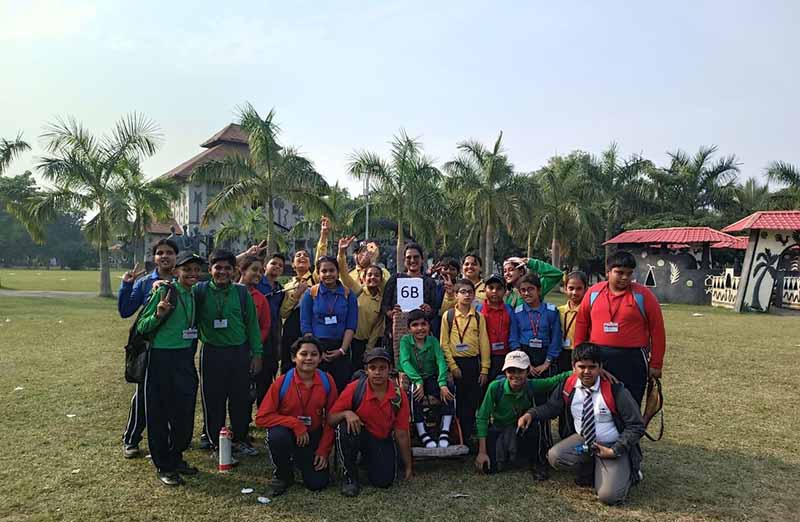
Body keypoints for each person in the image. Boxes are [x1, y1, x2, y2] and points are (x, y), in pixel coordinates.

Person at [518, 343, 645, 505]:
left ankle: (630, 471)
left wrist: (615, 450)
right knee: (555, 456)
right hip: (584, 441)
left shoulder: (615, 390)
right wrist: (531, 414)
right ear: (573, 366)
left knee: (609, 496)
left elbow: (636, 425)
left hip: (612, 445)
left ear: (600, 367)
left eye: (592, 367)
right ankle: (592, 467)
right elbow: (552, 407)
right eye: (581, 367)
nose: (586, 372)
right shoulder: (569, 385)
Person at [136, 251, 203, 486]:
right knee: (159, 414)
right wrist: (157, 314)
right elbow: (142, 327)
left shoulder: (194, 293)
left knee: (184, 411)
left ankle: (176, 456)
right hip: (161, 358)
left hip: (184, 358)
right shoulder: (165, 291)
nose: (192, 273)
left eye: (196, 270)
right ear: (176, 271)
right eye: (187, 269)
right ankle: (163, 465)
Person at [574, 250, 666, 406]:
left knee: (630, 406)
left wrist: (656, 364)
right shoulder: (593, 293)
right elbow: (582, 324)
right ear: (608, 272)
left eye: (629, 273)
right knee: (598, 405)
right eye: (620, 272)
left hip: (633, 359)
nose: (625, 277)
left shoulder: (643, 295)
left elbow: (657, 331)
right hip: (598, 358)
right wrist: (578, 358)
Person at [196, 249, 263, 459]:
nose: (222, 272)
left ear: (234, 271)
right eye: (218, 267)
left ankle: (240, 439)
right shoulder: (200, 291)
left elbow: (252, 325)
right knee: (213, 399)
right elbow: (179, 288)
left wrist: (257, 354)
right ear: (210, 269)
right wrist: (159, 283)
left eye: (227, 268)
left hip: (239, 352)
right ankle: (216, 442)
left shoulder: (242, 293)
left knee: (241, 399)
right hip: (212, 352)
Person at [255, 335, 338, 496]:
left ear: (320, 358)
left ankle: (300, 461)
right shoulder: (282, 382)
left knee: (317, 484)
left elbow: (331, 419)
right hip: (288, 433)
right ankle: (283, 474)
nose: (309, 358)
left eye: (314, 354)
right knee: (277, 435)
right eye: (303, 354)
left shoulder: (327, 381)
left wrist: (323, 450)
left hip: (312, 435)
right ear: (294, 357)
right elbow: (261, 418)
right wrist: (295, 424)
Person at [118, 238, 178, 459]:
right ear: (154, 258)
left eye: (169, 252)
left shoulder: (182, 278)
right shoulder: (145, 283)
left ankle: (169, 438)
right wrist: (126, 285)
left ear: (176, 256)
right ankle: (131, 439)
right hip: (150, 348)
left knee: (172, 395)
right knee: (143, 396)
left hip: (176, 348)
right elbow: (125, 310)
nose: (165, 256)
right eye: (160, 253)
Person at [328, 348, 413, 497]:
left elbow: (401, 433)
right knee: (345, 427)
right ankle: (350, 477)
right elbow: (331, 418)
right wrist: (346, 413)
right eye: (373, 368)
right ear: (366, 370)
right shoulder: (354, 388)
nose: (377, 372)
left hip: (381, 437)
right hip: (359, 433)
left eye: (382, 368)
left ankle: (367, 461)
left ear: (390, 370)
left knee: (384, 482)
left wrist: (408, 468)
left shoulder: (398, 395)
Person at [474, 351, 571, 476]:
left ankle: (534, 459)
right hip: (500, 428)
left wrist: (576, 371)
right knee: (491, 468)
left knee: (535, 427)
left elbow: (553, 381)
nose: (515, 375)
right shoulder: (495, 387)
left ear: (527, 371)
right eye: (511, 371)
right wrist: (482, 452)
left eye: (520, 371)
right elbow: (482, 417)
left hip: (520, 429)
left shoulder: (531, 385)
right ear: (505, 372)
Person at [507, 272, 562, 479]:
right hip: (524, 360)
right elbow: (513, 339)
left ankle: (542, 455)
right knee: (524, 406)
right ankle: (525, 452)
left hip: (545, 361)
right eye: (522, 290)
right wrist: (525, 363)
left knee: (541, 409)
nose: (526, 293)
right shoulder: (517, 312)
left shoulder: (551, 311)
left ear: (539, 290)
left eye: (530, 289)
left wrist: (547, 362)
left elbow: (556, 339)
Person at [439, 278, 490, 448]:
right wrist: (452, 366)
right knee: (456, 402)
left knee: (471, 402)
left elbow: (484, 343)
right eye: (463, 292)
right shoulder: (449, 316)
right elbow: (444, 343)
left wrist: (484, 369)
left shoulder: (478, 317)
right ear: (456, 295)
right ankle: (455, 436)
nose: (467, 295)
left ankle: (467, 437)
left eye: (470, 292)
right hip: (455, 364)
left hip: (472, 364)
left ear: (474, 295)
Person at [299, 255, 359, 393]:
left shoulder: (348, 294)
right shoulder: (311, 294)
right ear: (318, 273)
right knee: (317, 389)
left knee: (340, 388)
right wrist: (316, 352)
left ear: (337, 272)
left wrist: (342, 350)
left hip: (341, 347)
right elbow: (305, 324)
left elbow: (351, 325)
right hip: (316, 348)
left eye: (332, 270)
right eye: (324, 271)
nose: (328, 274)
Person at [398, 309, 455, 448]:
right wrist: (418, 381)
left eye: (423, 324)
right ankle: (422, 432)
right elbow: (405, 362)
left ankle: (445, 430)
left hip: (431, 378)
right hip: (415, 379)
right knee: (415, 393)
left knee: (449, 389)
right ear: (409, 329)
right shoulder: (405, 341)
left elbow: (441, 361)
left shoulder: (433, 341)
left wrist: (442, 383)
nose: (420, 328)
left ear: (429, 326)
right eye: (415, 325)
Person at [381, 243, 441, 359]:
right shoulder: (395, 279)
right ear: (404, 260)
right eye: (409, 257)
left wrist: (428, 310)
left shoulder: (429, 282)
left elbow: (434, 309)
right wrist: (391, 313)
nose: (412, 260)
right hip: (397, 332)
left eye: (416, 257)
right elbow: (384, 305)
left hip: (421, 332)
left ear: (422, 259)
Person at [337, 236, 385, 371]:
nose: (373, 278)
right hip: (351, 340)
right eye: (370, 275)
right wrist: (341, 252)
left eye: (376, 275)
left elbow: (377, 328)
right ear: (364, 278)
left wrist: (369, 349)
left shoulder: (381, 300)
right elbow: (343, 274)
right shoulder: (358, 290)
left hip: (371, 342)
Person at [238, 256, 273, 424]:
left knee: (246, 390)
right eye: (254, 269)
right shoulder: (230, 292)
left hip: (250, 350)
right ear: (242, 270)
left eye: (261, 271)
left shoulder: (260, 298)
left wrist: (255, 345)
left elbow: (265, 326)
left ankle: (242, 426)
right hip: (227, 348)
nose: (258, 274)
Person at [316, 216, 390, 286]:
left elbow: (384, 287)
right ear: (355, 255)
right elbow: (322, 264)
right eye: (362, 251)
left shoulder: (384, 272)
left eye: (369, 251)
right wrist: (341, 252)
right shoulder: (350, 274)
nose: (366, 254)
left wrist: (373, 263)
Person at [279, 249, 318, 373]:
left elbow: (321, 256)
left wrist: (323, 238)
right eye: (298, 255)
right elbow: (284, 312)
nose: (302, 257)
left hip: (313, 324)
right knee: (289, 363)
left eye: (306, 255)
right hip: (292, 326)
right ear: (293, 264)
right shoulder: (288, 286)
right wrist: (297, 294)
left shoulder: (316, 279)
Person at [254, 253, 286, 406]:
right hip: (256, 334)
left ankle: (264, 410)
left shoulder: (281, 289)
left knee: (268, 376)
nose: (277, 267)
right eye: (273, 263)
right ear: (265, 265)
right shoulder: (256, 283)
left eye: (280, 266)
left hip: (272, 337)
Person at [476, 274, 518, 381]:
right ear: (484, 290)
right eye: (491, 288)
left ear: (505, 291)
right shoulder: (478, 310)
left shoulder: (509, 310)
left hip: (505, 356)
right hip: (483, 357)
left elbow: (513, 333)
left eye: (499, 288)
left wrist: (516, 352)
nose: (494, 291)